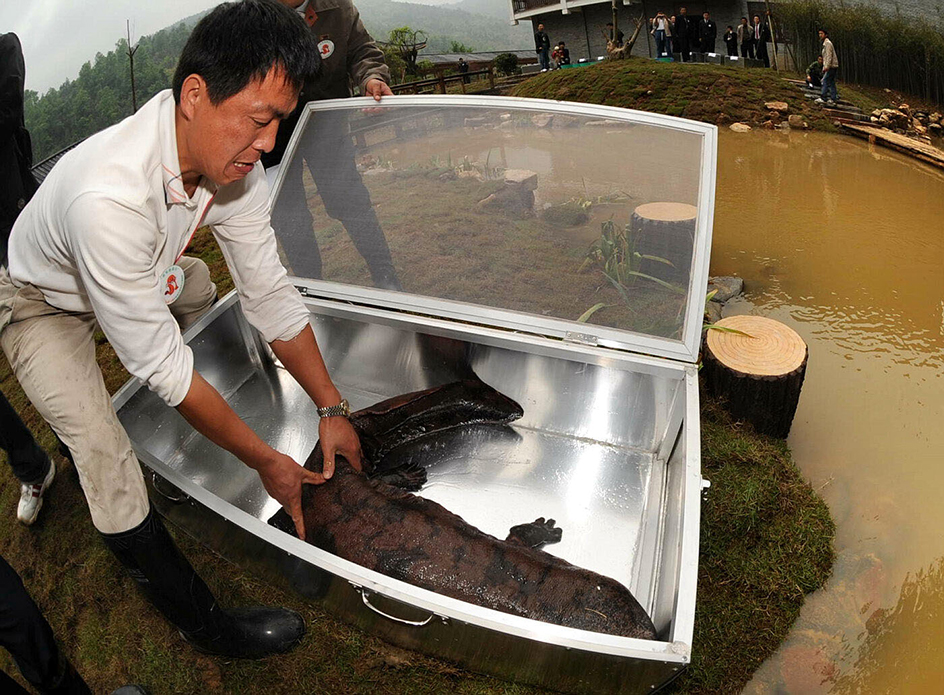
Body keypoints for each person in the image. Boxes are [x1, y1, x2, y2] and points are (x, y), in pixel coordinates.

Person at [0, 0, 363, 660]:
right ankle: (210, 627)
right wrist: (267, 462)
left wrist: (331, 404)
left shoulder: (235, 163)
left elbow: (270, 291)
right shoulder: (109, 202)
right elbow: (164, 371)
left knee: (203, 289)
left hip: (137, 267)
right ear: (195, 95)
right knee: (103, 454)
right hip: (39, 302)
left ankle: (234, 403)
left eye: (280, 123)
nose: (270, 145)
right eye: (259, 120)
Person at [264, 0, 401, 291]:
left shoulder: (337, 6)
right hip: (271, 132)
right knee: (289, 213)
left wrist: (372, 77)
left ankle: (385, 275)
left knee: (350, 199)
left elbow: (362, 49)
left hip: (325, 122)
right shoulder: (253, 16)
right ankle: (312, 287)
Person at [0, 32, 59, 527]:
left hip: (18, 233)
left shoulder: (2, 55)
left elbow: (10, 52)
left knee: (61, 326)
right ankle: (32, 466)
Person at [818, 29, 840, 104]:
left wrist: (826, 66)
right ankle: (833, 98)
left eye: (822, 33)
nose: (820, 35)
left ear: (826, 35)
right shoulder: (825, 43)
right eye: (819, 34)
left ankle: (823, 97)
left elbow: (829, 56)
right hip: (832, 65)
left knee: (825, 80)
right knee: (831, 82)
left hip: (831, 66)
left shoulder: (828, 43)